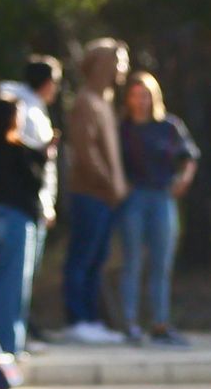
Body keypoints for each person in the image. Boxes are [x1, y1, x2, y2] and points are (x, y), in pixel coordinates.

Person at [0, 56, 61, 358]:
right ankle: (7, 347)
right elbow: (32, 176)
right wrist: (44, 154)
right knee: (14, 285)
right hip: (17, 214)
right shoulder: (17, 148)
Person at [117, 72, 200, 347]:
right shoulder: (123, 129)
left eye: (145, 96)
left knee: (161, 262)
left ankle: (160, 323)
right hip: (134, 198)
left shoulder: (169, 126)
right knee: (132, 261)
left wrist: (184, 179)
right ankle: (129, 323)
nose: (140, 102)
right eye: (136, 96)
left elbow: (189, 156)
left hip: (162, 195)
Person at [62, 38, 129, 344]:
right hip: (89, 194)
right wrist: (109, 181)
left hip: (106, 197)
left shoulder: (105, 102)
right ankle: (77, 319)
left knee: (97, 259)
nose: (122, 68)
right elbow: (85, 151)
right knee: (82, 257)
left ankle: (91, 318)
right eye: (117, 62)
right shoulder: (86, 102)